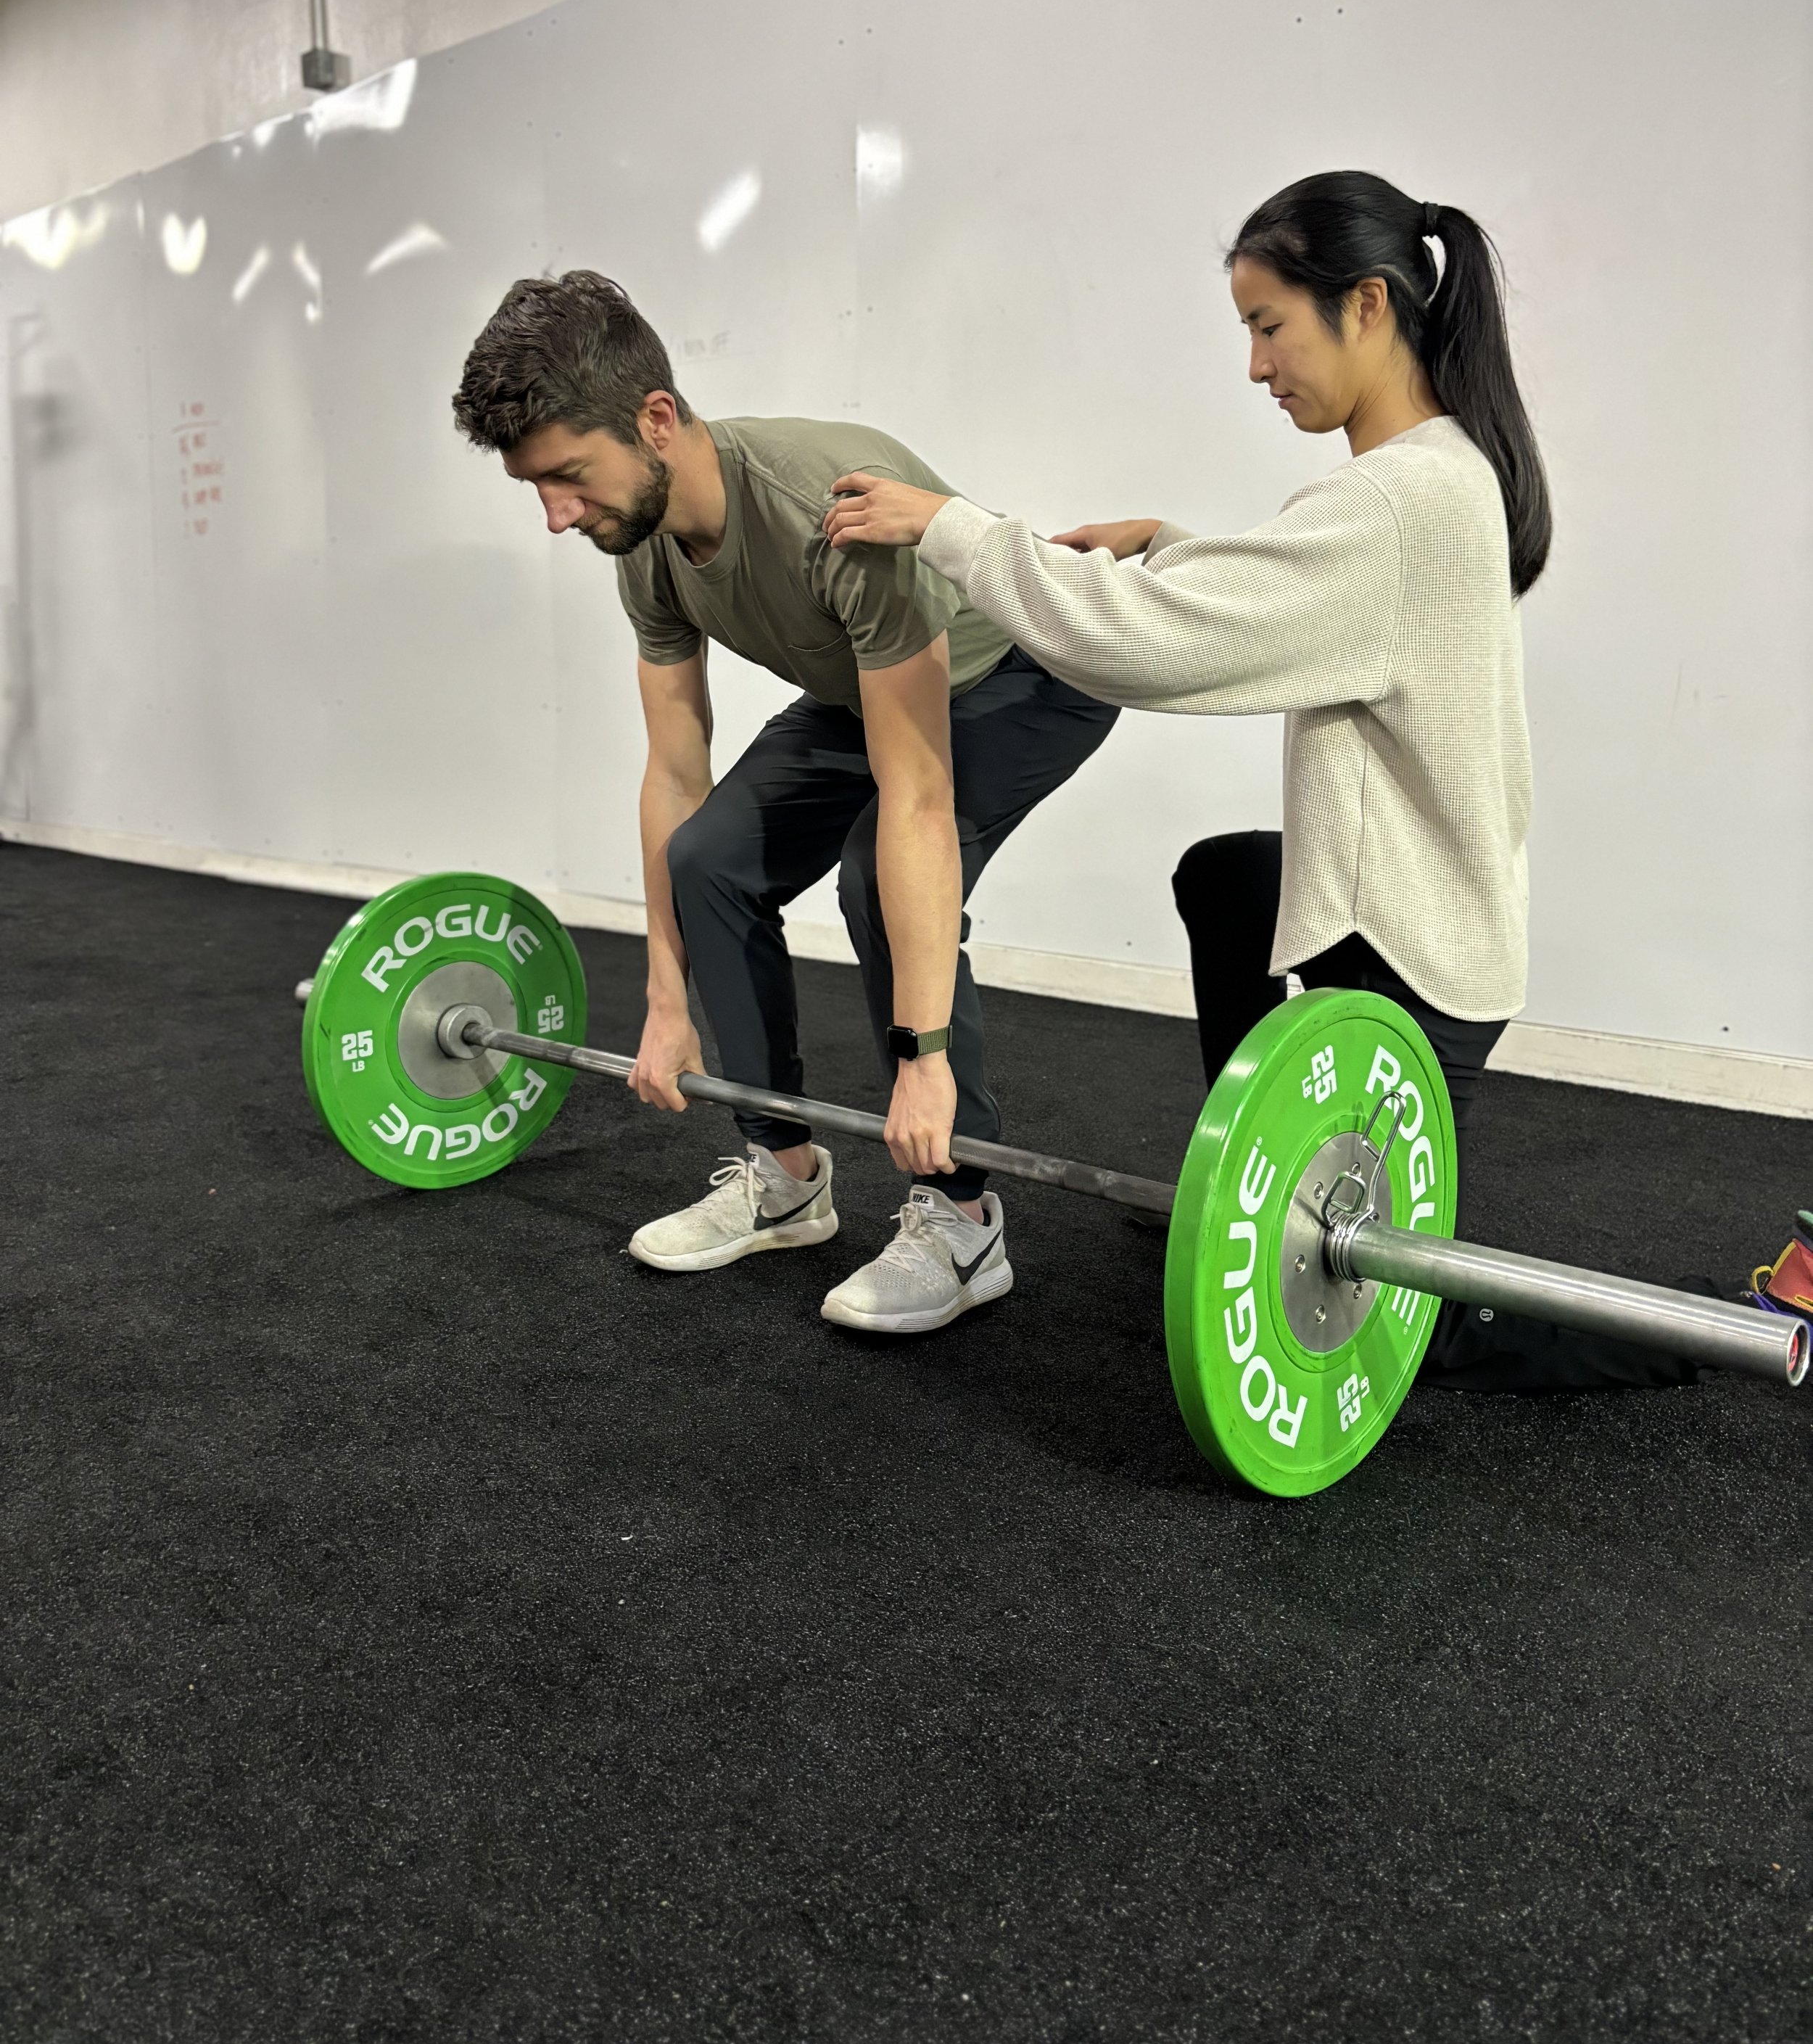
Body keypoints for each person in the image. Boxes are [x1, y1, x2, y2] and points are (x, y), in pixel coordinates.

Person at [822, 169, 1699, 1391]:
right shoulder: (1441, 470)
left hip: (1410, 959)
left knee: (1413, 1312)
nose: (1255, 365)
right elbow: (1294, 591)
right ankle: (1245, 1173)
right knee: (1229, 881)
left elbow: (1149, 644)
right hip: (1431, 899)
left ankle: (1694, 1327)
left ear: (1369, 304)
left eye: (1269, 325)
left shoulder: (1398, 501)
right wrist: (1164, 543)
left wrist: (954, 528)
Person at [451, 272, 1118, 1334]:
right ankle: (786, 1176)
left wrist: (924, 1062)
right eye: (536, 487)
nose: (556, 515)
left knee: (876, 876)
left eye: (569, 476)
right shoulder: (645, 545)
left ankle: (962, 1216)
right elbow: (675, 776)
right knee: (708, 858)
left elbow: (916, 797)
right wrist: (666, 1002)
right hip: (868, 690)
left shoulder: (828, 511)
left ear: (655, 419)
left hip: (1022, 677)